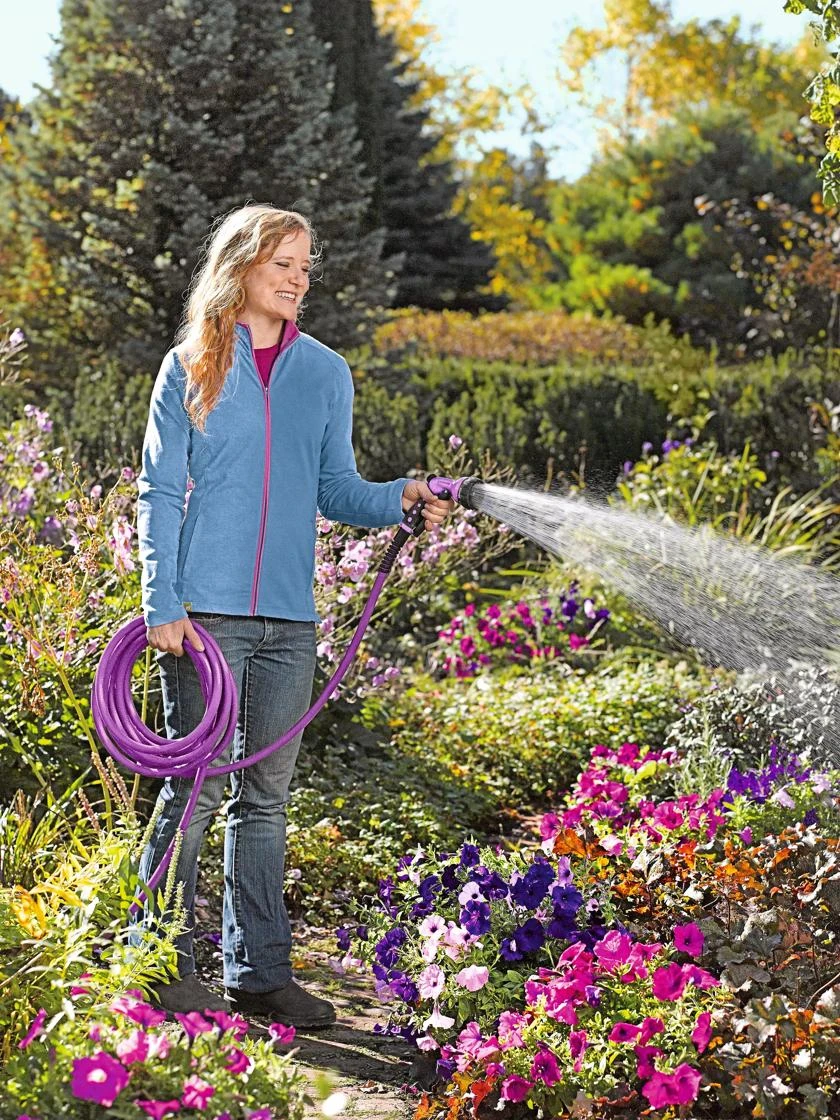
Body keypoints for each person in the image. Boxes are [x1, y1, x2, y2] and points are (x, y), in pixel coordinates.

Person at [135, 203, 454, 1027]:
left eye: (307, 267)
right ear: (241, 265)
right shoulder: (191, 365)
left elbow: (336, 490)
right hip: (203, 616)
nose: (299, 279)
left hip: (289, 618)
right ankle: (157, 964)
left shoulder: (325, 372)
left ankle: (258, 974)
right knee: (195, 789)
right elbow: (159, 491)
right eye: (284, 263)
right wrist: (161, 601)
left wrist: (400, 496)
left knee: (266, 800)